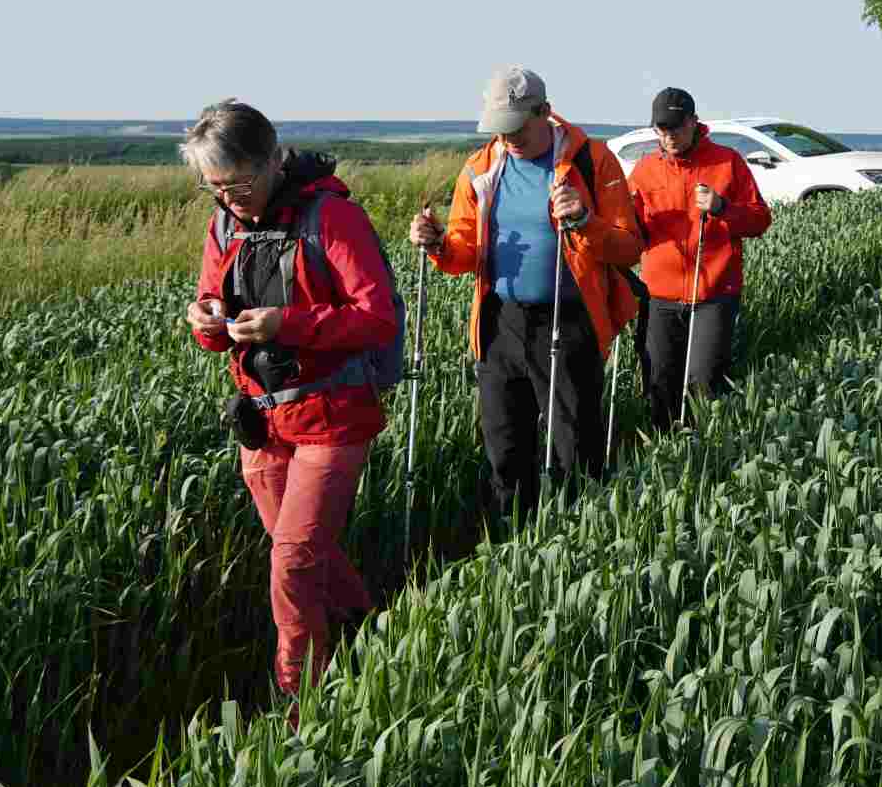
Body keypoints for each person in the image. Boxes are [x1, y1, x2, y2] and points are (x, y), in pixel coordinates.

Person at [182, 99, 397, 720]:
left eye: (240, 183)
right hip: (262, 418)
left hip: (333, 413)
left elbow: (376, 317)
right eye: (216, 187)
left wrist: (288, 324)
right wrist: (207, 320)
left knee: (294, 561)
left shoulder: (333, 217)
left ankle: (300, 704)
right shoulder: (224, 225)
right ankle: (367, 632)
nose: (231, 199)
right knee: (299, 551)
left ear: (274, 160)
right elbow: (212, 309)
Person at [409, 66, 641, 521]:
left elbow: (629, 247)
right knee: (505, 446)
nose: (508, 137)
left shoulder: (592, 161)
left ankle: (580, 536)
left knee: (576, 446)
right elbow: (463, 251)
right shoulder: (481, 167)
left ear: (545, 112)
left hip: (569, 319)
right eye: (499, 128)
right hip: (499, 321)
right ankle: (511, 541)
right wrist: (437, 245)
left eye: (516, 126)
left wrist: (584, 222)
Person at [628, 87, 774, 428]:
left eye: (677, 127)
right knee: (658, 384)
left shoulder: (728, 162)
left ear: (694, 122)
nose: (669, 136)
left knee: (703, 387)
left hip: (713, 296)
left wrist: (722, 207)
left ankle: (701, 450)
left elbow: (760, 220)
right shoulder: (645, 170)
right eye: (662, 129)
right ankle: (664, 452)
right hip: (659, 296)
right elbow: (632, 232)